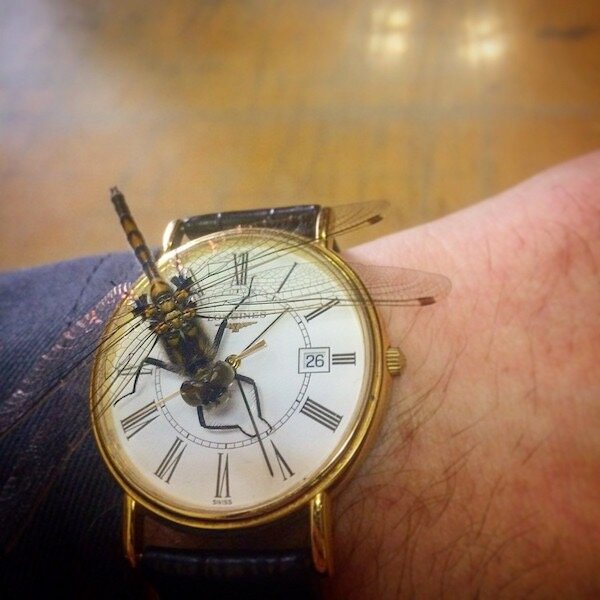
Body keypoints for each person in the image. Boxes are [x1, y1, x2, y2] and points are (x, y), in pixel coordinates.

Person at [1, 151, 598, 598]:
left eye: (209, 386)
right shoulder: (163, 363)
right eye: (206, 391)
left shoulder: (222, 358)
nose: (217, 392)